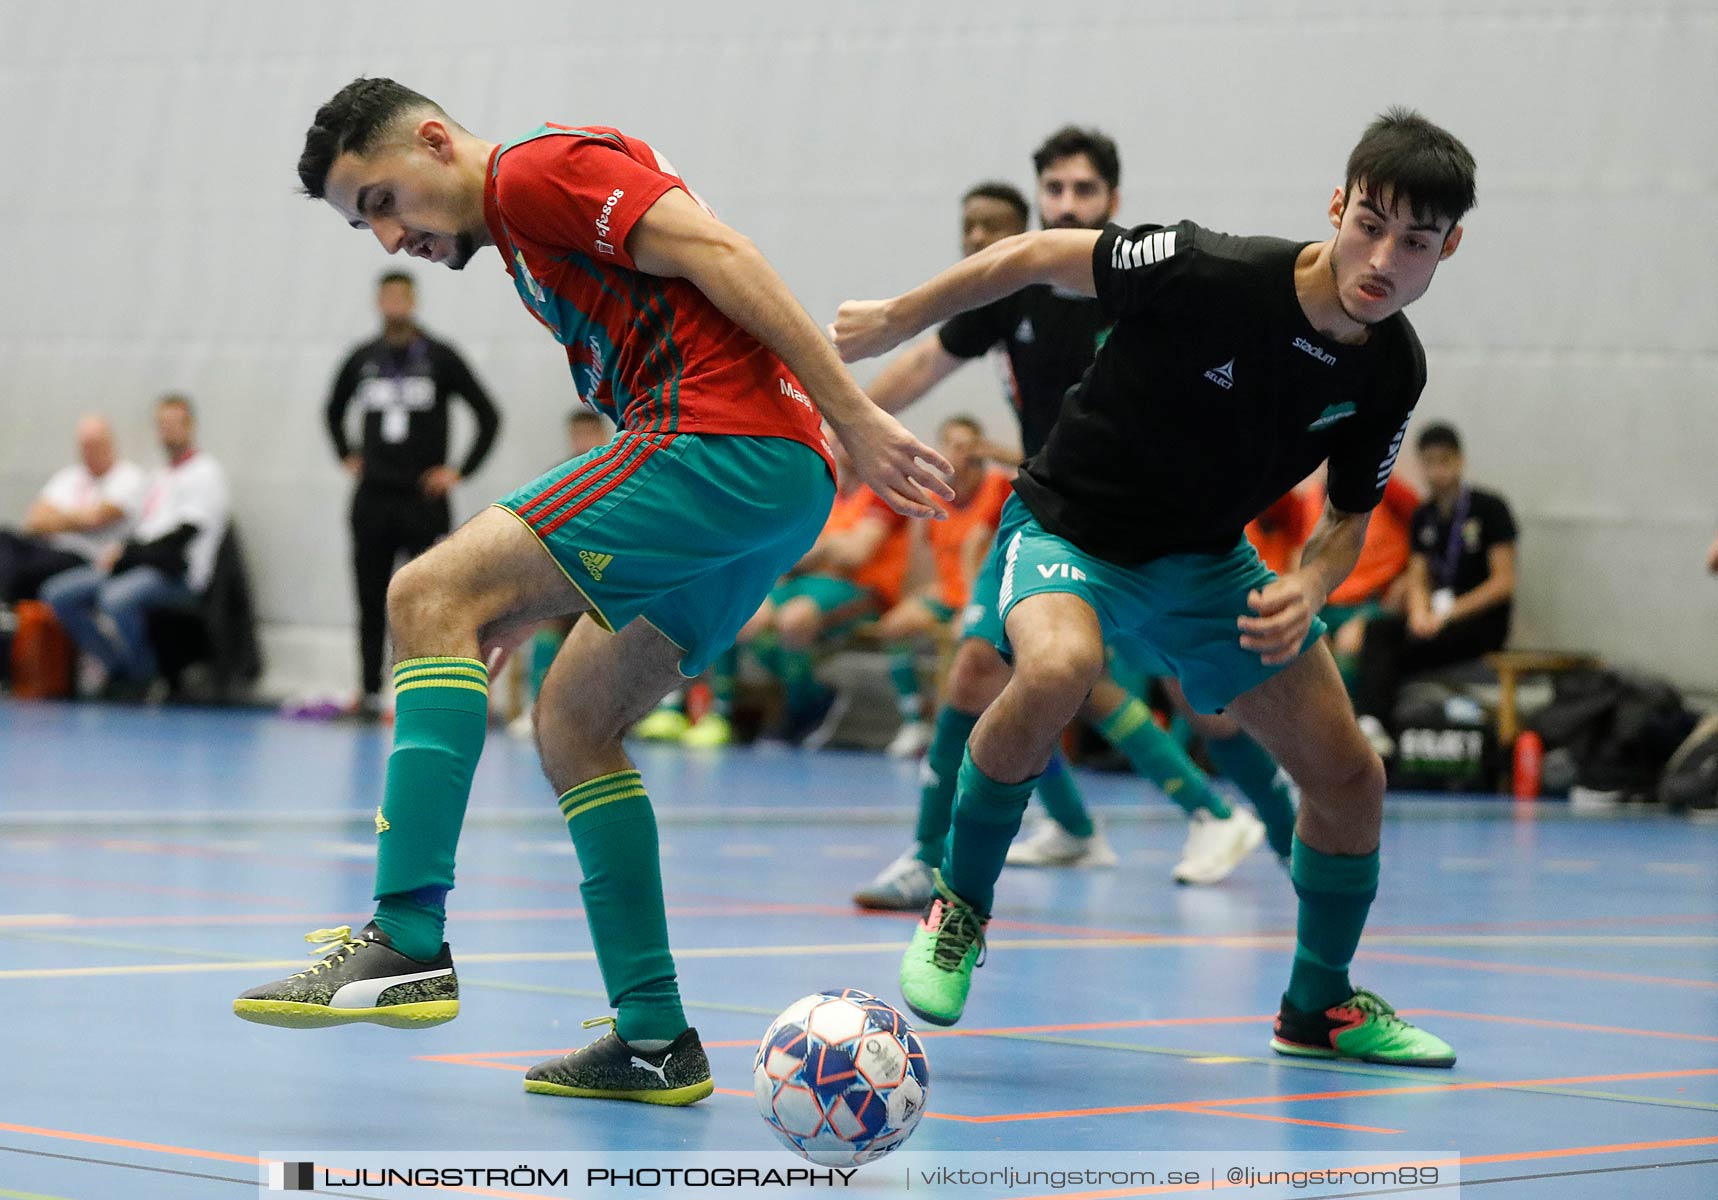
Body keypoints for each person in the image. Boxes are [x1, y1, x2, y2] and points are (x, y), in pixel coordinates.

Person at [232, 78, 951, 1109]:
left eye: (383, 201)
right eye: (364, 227)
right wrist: (514, 607)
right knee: (573, 718)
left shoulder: (535, 175)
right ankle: (655, 1039)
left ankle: (405, 936)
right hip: (769, 483)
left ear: (435, 142)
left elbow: (723, 252)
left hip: (716, 442)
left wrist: (857, 414)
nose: (389, 239)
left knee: (424, 593)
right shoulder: (530, 240)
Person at [835, 106, 1474, 1067]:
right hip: (1070, 529)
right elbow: (1038, 253)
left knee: (1351, 777)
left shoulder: (1393, 368)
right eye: (1370, 224)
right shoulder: (1211, 269)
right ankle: (959, 907)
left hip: (1210, 565)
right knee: (1060, 665)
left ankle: (1318, 1006)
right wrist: (894, 318)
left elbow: (1348, 515)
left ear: (1447, 248)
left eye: (1415, 241)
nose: (1383, 256)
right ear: (1337, 206)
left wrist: (1310, 584)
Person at [851, 128, 1279, 912]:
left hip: (1152, 522)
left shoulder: (1147, 284)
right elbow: (922, 363)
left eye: (1084, 193)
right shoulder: (1013, 291)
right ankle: (934, 853)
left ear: (1113, 202)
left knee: (1204, 696)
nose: (1067, 205)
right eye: (1055, 191)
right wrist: (844, 419)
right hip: (1050, 516)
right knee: (997, 671)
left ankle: (1262, 830)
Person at [326, 270, 501, 717]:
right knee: (370, 596)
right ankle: (367, 692)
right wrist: (347, 453)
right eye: (387, 297)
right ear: (378, 302)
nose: (395, 305)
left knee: (427, 600)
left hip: (423, 500)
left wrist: (459, 471)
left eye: (402, 297)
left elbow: (488, 414)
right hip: (373, 498)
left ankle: (419, 694)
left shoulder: (440, 356)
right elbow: (332, 408)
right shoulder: (364, 357)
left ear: (414, 301)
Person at [43, 396, 230, 699]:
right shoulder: (158, 476)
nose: (167, 432)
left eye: (174, 425)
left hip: (177, 574)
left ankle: (145, 676)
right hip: (140, 564)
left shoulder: (206, 473)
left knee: (115, 597)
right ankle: (116, 666)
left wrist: (126, 556)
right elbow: (142, 532)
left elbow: (178, 540)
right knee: (59, 594)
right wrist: (118, 553)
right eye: (162, 426)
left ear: (189, 426)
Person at [735, 430, 911, 744]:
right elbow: (785, 551)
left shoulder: (883, 491)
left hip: (860, 591)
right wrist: (828, 548)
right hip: (809, 583)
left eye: (850, 436)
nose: (844, 445)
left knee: (794, 619)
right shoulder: (825, 492)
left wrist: (816, 550)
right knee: (747, 617)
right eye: (838, 438)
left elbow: (856, 554)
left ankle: (804, 710)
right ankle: (806, 697)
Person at [1352, 422, 1517, 753]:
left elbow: (1503, 583)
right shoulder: (1423, 516)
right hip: (1437, 621)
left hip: (1478, 622)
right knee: (1379, 632)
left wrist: (1449, 614)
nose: (1437, 471)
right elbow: (1418, 576)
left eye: (1445, 461)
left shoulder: (1490, 508)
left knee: (1398, 650)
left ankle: (1382, 723)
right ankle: (1371, 726)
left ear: (1460, 461)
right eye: (1429, 463)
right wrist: (1419, 612)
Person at [875, 415, 1013, 757]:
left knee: (960, 642)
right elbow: (930, 558)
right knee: (894, 627)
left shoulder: (998, 486)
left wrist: (970, 605)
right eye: (951, 443)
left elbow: (975, 551)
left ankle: (958, 734)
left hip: (986, 596)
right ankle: (914, 720)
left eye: (967, 445)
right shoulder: (934, 496)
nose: (958, 452)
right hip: (949, 593)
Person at [0, 417, 146, 604]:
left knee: (23, 569)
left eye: (94, 445)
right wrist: (79, 518)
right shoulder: (69, 476)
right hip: (48, 547)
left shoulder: (128, 476)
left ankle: (5, 605)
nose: (89, 452)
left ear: (109, 443)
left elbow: (95, 519)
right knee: (5, 539)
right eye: (84, 446)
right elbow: (33, 521)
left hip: (85, 556)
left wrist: (57, 517)